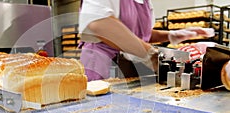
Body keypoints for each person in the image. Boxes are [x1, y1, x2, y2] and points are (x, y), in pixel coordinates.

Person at [78, 0, 214, 81]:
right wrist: (148, 53)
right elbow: (100, 23)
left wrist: (171, 35)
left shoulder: (145, 2)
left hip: (133, 67)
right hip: (103, 66)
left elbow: (140, 34)